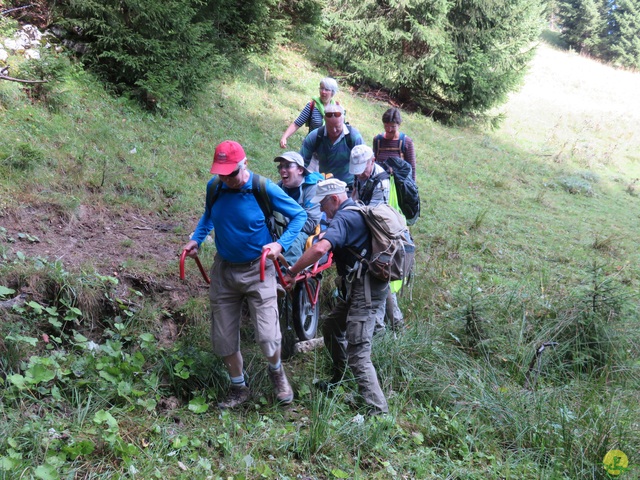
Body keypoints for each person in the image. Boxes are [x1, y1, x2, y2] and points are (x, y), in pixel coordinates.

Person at [182, 140, 307, 409]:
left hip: (259, 269)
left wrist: (280, 244)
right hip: (224, 270)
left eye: (232, 174)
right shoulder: (214, 187)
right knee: (223, 338)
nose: (227, 180)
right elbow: (208, 216)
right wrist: (196, 239)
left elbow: (299, 215)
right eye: (222, 174)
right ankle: (238, 386)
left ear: (244, 164)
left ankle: (277, 372)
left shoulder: (264, 188)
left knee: (267, 336)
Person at [282, 178, 389, 415]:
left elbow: (320, 248)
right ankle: (340, 379)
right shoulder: (354, 211)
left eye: (323, 204)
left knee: (359, 350)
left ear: (334, 199)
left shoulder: (345, 216)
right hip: (360, 285)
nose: (321, 209)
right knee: (331, 327)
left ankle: (378, 411)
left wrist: (292, 271)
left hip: (367, 289)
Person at [349, 145, 404, 334]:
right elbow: (355, 197)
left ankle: (380, 330)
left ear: (372, 161)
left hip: (381, 236)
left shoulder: (381, 182)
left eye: (362, 169)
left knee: (379, 276)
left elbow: (372, 214)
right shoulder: (361, 175)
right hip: (370, 231)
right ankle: (396, 323)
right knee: (383, 279)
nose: (359, 174)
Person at [273, 151, 324, 265]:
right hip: (282, 227)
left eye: (287, 166)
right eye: (280, 166)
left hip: (305, 232)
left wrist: (286, 226)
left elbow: (310, 222)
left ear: (300, 170)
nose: (282, 170)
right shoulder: (279, 187)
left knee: (293, 242)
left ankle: (284, 277)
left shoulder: (313, 189)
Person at [299, 103, 364, 189]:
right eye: (330, 127)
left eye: (337, 126)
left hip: (348, 187)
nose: (334, 130)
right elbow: (301, 162)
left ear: (343, 120)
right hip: (324, 185)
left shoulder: (353, 137)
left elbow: (364, 163)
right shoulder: (315, 136)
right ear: (325, 121)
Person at [280, 77, 339, 149]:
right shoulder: (312, 106)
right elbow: (297, 123)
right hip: (311, 147)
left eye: (326, 90)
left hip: (328, 150)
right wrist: (284, 137)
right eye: (321, 88)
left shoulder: (337, 108)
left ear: (332, 92)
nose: (323, 92)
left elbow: (341, 130)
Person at [372, 107, 417, 182]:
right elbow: (373, 163)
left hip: (399, 186)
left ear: (399, 125)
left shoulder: (406, 142)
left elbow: (412, 168)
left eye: (393, 126)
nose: (389, 130)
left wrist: (412, 188)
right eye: (386, 126)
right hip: (380, 185)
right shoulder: (377, 140)